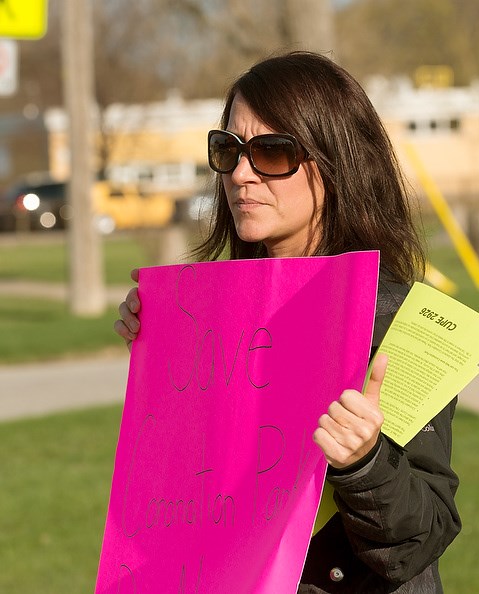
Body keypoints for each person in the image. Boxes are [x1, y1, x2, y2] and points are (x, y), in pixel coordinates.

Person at [114, 51, 461, 593]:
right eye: (228, 150)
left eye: (273, 152)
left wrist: (364, 463)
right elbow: (192, 495)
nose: (242, 175)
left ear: (336, 162)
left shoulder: (404, 321)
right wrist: (161, 343)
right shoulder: (212, 318)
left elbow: (423, 534)